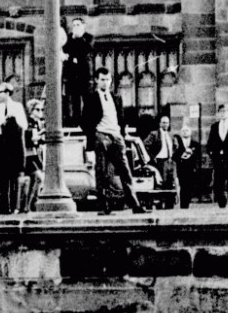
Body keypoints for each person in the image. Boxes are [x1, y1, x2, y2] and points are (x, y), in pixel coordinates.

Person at [82, 67, 144, 214]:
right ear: (96, 80)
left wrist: (121, 135)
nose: (105, 83)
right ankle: (104, 207)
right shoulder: (91, 98)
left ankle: (135, 205)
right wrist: (95, 134)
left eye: (108, 79)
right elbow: (84, 121)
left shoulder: (116, 97)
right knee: (102, 173)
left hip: (116, 136)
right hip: (101, 136)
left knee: (125, 171)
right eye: (102, 79)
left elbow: (121, 119)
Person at [0, 83, 28, 214]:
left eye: (0, 92)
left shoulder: (17, 107)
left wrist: (14, 118)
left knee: (13, 176)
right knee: (2, 177)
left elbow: (24, 124)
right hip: (2, 143)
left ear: (6, 93)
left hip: (14, 143)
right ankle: (4, 206)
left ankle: (14, 206)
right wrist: (2, 120)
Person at [62, 17, 95, 127]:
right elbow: (65, 52)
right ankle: (75, 121)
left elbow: (85, 51)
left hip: (84, 75)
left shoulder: (88, 38)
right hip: (72, 74)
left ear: (83, 25)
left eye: (78, 25)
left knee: (87, 98)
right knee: (74, 98)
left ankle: (87, 121)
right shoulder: (69, 38)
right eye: (74, 25)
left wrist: (72, 57)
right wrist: (72, 58)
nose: (75, 27)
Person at [143, 114, 179, 198]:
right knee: (161, 181)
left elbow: (175, 146)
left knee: (171, 181)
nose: (165, 124)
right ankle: (160, 201)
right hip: (159, 160)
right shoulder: (154, 134)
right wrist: (152, 157)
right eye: (163, 123)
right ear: (160, 124)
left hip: (169, 160)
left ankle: (169, 202)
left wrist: (172, 153)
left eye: (167, 123)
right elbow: (145, 145)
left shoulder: (171, 135)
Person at [21, 99, 44, 213]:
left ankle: (28, 205)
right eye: (37, 109)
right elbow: (29, 139)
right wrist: (40, 135)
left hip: (36, 154)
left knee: (33, 181)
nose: (40, 112)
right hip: (29, 155)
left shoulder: (39, 122)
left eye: (42, 110)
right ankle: (30, 203)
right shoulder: (29, 122)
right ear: (31, 110)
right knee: (39, 178)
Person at [176, 126, 201, 209]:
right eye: (183, 131)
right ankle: (183, 205)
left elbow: (198, 157)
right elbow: (175, 155)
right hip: (181, 168)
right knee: (182, 186)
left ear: (190, 132)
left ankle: (187, 202)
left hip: (191, 169)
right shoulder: (177, 143)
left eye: (187, 130)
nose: (185, 132)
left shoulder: (195, 144)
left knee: (189, 187)